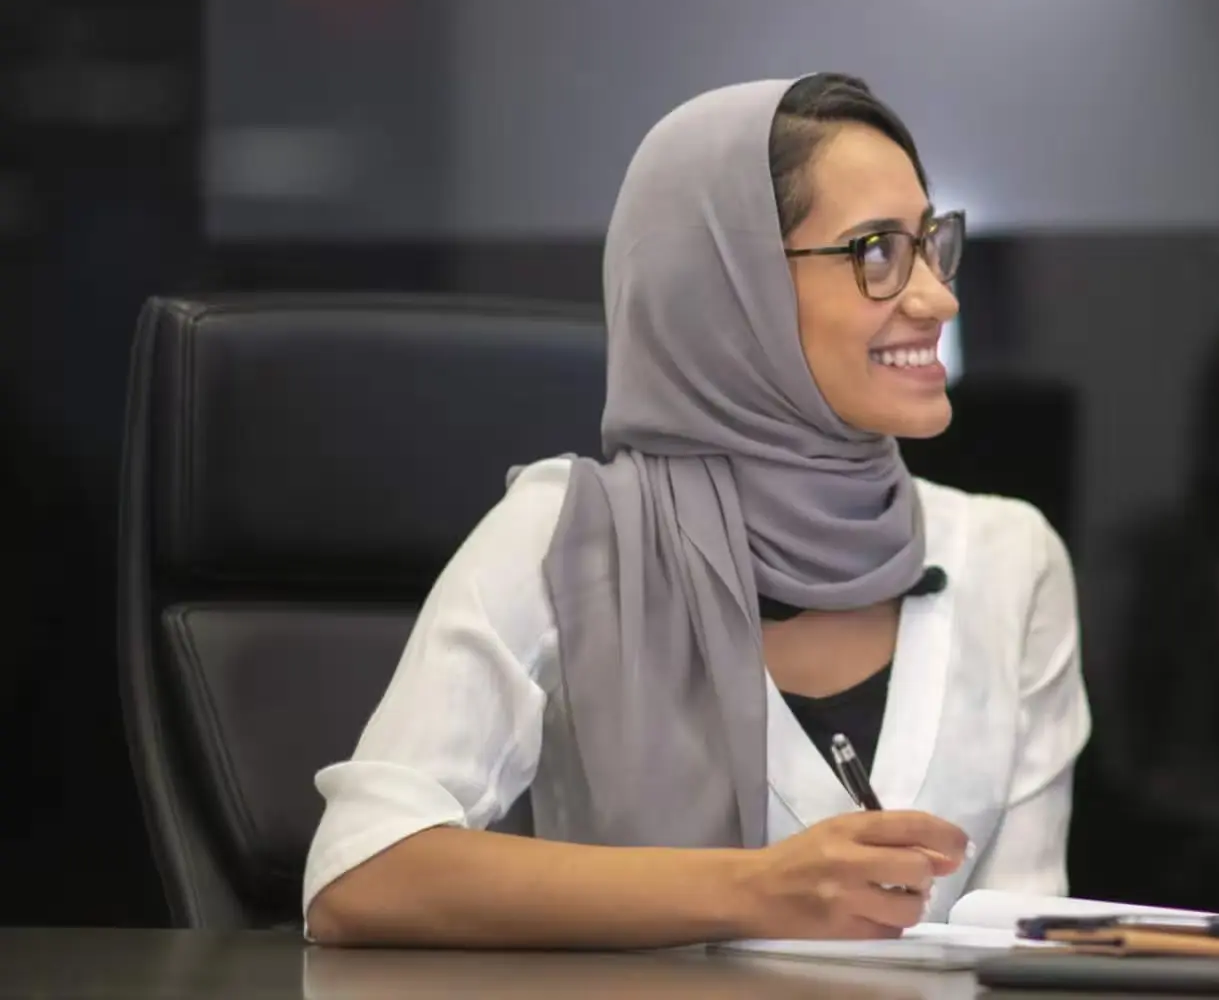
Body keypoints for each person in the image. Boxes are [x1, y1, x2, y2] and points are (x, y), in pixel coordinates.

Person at [304, 75, 1089, 947]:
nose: (937, 296)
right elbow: (362, 872)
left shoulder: (1011, 557)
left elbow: (1023, 940)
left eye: (932, 244)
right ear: (731, 281)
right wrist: (758, 890)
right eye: (875, 251)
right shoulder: (572, 534)